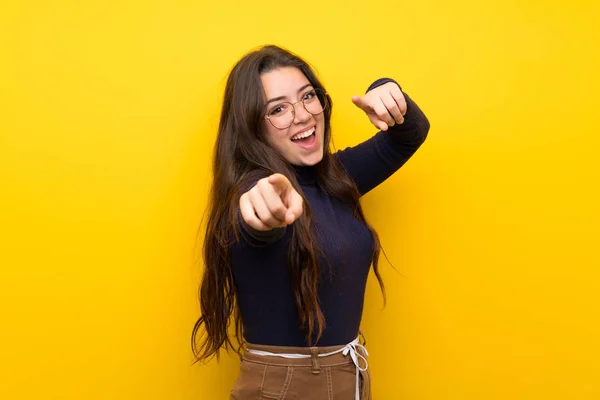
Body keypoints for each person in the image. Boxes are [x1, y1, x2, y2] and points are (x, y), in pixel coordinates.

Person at [192, 44, 430, 399]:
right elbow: (255, 219)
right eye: (278, 109)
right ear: (253, 127)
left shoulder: (335, 177)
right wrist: (261, 210)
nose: (302, 115)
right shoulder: (254, 193)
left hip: (347, 376)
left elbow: (410, 133)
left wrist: (386, 87)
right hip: (286, 387)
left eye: (308, 96)